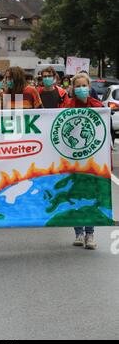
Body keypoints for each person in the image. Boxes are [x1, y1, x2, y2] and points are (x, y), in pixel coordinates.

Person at [61, 73, 103, 250]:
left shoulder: (98, 106)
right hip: (72, 159)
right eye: (77, 86)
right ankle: (79, 232)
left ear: (89, 86)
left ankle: (90, 233)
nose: (80, 88)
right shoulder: (66, 106)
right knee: (75, 195)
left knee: (90, 195)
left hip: (93, 160)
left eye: (83, 85)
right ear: (72, 88)